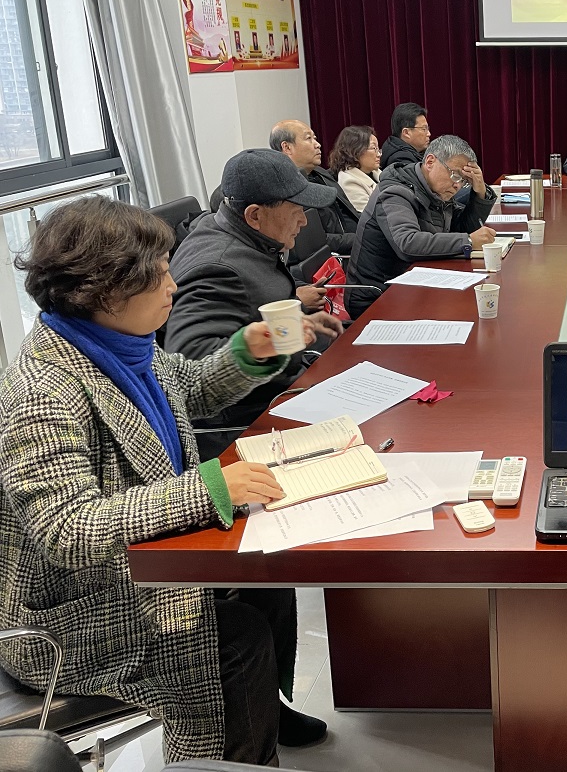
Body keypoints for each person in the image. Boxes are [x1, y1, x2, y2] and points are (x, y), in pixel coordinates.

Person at [0, 197, 328, 765]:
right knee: (237, 638)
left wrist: (250, 353)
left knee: (265, 572)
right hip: (74, 613)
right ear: (105, 292)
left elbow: (190, 387)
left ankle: (265, 712)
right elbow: (68, 530)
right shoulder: (41, 391)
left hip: (136, 568)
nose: (173, 286)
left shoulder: (118, 344)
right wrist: (211, 489)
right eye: (159, 275)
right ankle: (229, 758)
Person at [167, 149, 343, 461]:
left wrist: (294, 318)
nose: (304, 220)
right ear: (254, 215)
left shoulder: (241, 234)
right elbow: (189, 362)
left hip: (285, 389)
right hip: (252, 422)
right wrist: (276, 340)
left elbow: (251, 307)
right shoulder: (218, 267)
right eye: (296, 210)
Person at [348, 135, 498, 318]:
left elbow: (461, 228)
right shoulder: (395, 191)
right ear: (430, 161)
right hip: (378, 295)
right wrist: (468, 241)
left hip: (413, 283)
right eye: (455, 175)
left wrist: (480, 192)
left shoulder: (434, 189)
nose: (458, 185)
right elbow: (408, 243)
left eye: (464, 181)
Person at [269, 119, 359, 255]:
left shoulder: (321, 173)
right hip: (337, 255)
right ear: (287, 147)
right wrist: (360, 239)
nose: (318, 144)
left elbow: (348, 212)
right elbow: (313, 240)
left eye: (315, 138)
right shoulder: (287, 188)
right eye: (308, 138)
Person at [330, 125, 382, 212]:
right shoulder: (349, 181)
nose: (379, 154)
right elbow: (369, 216)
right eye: (374, 148)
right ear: (355, 151)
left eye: (378, 148)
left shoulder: (376, 172)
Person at [380, 102, 430, 172]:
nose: (429, 134)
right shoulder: (401, 161)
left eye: (428, 128)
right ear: (406, 133)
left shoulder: (413, 152)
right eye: (424, 129)